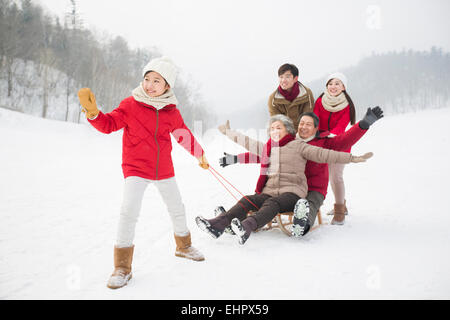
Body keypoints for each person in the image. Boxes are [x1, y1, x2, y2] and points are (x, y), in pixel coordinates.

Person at [77, 56, 210, 290]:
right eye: (147, 79)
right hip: (136, 168)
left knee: (177, 207)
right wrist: (93, 114)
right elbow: (108, 125)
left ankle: (183, 246)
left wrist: (199, 154)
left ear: (167, 85)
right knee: (129, 212)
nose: (149, 84)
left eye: (156, 81)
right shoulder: (131, 104)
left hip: (163, 169)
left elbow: (183, 135)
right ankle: (122, 267)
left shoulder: (171, 111)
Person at [195, 115, 372, 244]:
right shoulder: (268, 148)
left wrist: (352, 158)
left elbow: (324, 154)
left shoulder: (299, 145)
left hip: (292, 192)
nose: (274, 131)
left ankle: (247, 227)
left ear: (288, 129)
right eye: (272, 128)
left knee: (272, 204)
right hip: (270, 190)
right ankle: (216, 225)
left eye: (278, 127)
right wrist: (227, 132)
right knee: (247, 200)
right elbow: (247, 142)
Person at [313, 72, 356, 224]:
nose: (333, 86)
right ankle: (340, 204)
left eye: (337, 83)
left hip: (339, 145)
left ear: (343, 87)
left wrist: (323, 133)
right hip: (321, 145)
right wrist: (314, 132)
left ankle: (339, 211)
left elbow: (340, 128)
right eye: (330, 83)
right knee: (322, 177)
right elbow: (315, 119)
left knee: (335, 177)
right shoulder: (320, 101)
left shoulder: (347, 105)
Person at [268, 63, 315, 129]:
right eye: (281, 77)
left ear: (295, 78)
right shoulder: (273, 99)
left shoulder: (306, 94)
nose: (283, 80)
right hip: (284, 134)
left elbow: (308, 118)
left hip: (304, 132)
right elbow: (277, 123)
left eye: (287, 77)